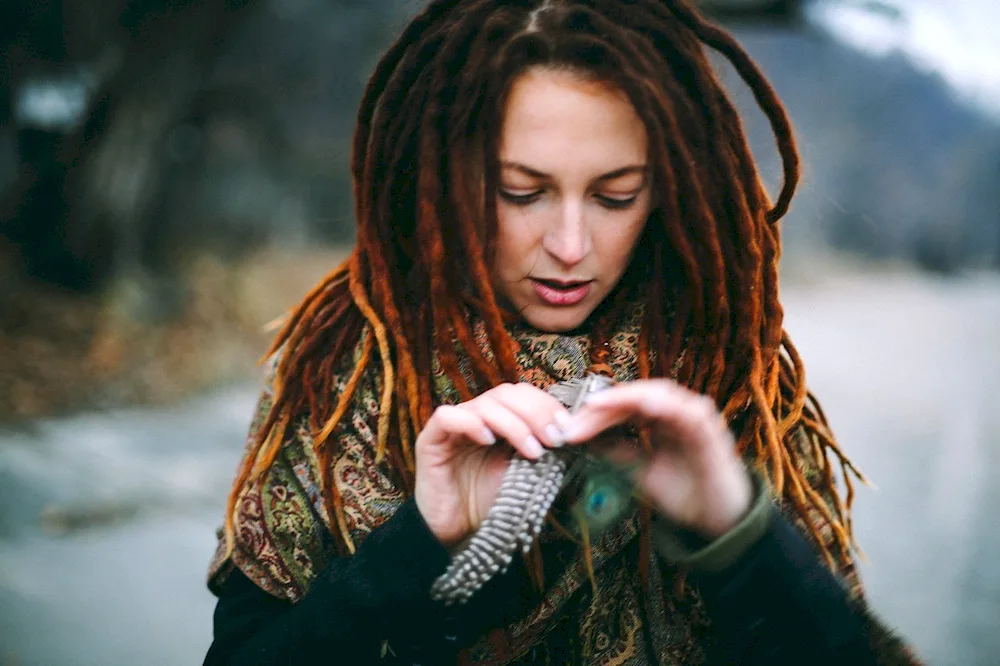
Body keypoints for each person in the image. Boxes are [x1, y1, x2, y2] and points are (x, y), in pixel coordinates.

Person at [203, 1, 921, 663]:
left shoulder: (734, 378)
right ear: (445, 177)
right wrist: (419, 541)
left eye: (616, 195)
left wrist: (738, 536)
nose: (571, 245)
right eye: (522, 191)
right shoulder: (351, 372)